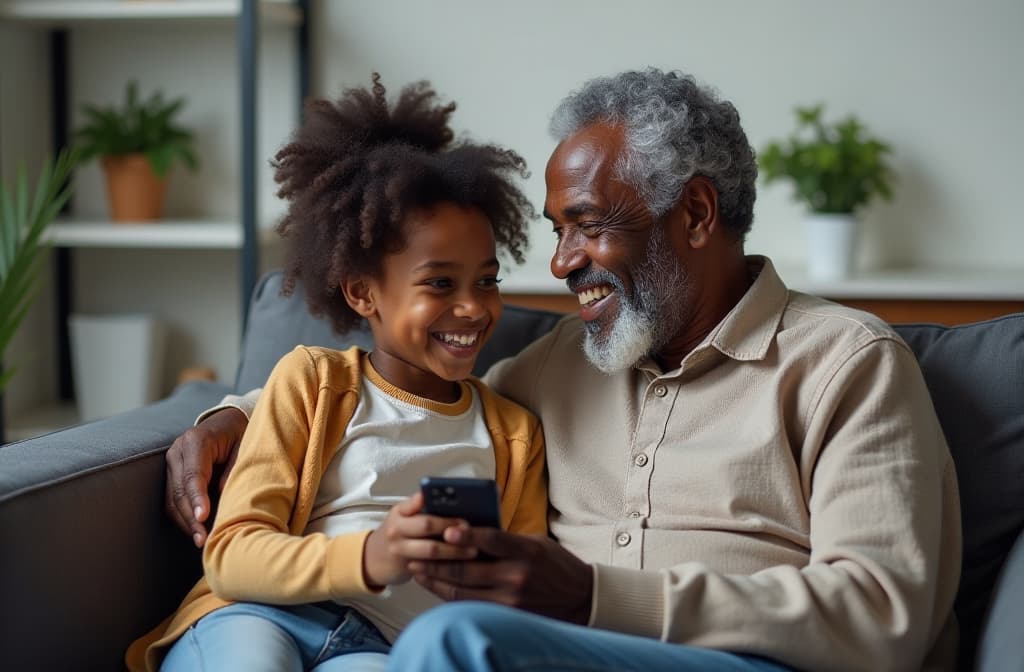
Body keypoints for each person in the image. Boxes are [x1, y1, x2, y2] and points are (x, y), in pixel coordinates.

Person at [164, 69, 961, 672]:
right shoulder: (567, 364)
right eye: (554, 231)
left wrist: (590, 596)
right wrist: (230, 416)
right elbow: (409, 395)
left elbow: (884, 615)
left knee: (454, 638)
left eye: (585, 226)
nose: (561, 262)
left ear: (693, 214)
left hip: (747, 662)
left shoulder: (844, 362)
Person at [126, 74, 548, 672]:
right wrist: (373, 555)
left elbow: (523, 596)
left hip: (385, 649)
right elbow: (233, 554)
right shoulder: (312, 383)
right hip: (258, 612)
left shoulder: (513, 435)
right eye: (439, 283)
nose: (474, 307)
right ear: (361, 294)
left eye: (487, 280)